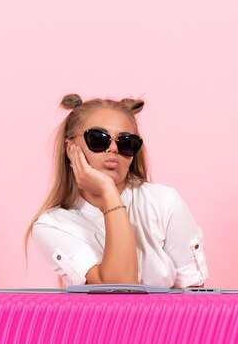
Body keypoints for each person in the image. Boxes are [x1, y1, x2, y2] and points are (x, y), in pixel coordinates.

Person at [25, 93, 209, 289]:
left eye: (126, 142)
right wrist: (109, 194)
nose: (113, 148)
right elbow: (118, 289)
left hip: (168, 320)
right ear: (71, 149)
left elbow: (194, 295)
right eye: (98, 139)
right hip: (99, 321)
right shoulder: (52, 225)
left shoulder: (164, 202)